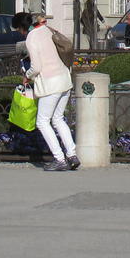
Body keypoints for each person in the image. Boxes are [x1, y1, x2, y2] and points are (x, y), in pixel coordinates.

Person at [25, 12, 78, 171]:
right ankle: (72, 155)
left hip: (50, 83)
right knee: (58, 119)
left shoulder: (32, 37)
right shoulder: (50, 30)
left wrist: (27, 75)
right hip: (64, 79)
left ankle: (59, 159)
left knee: (42, 121)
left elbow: (36, 67)